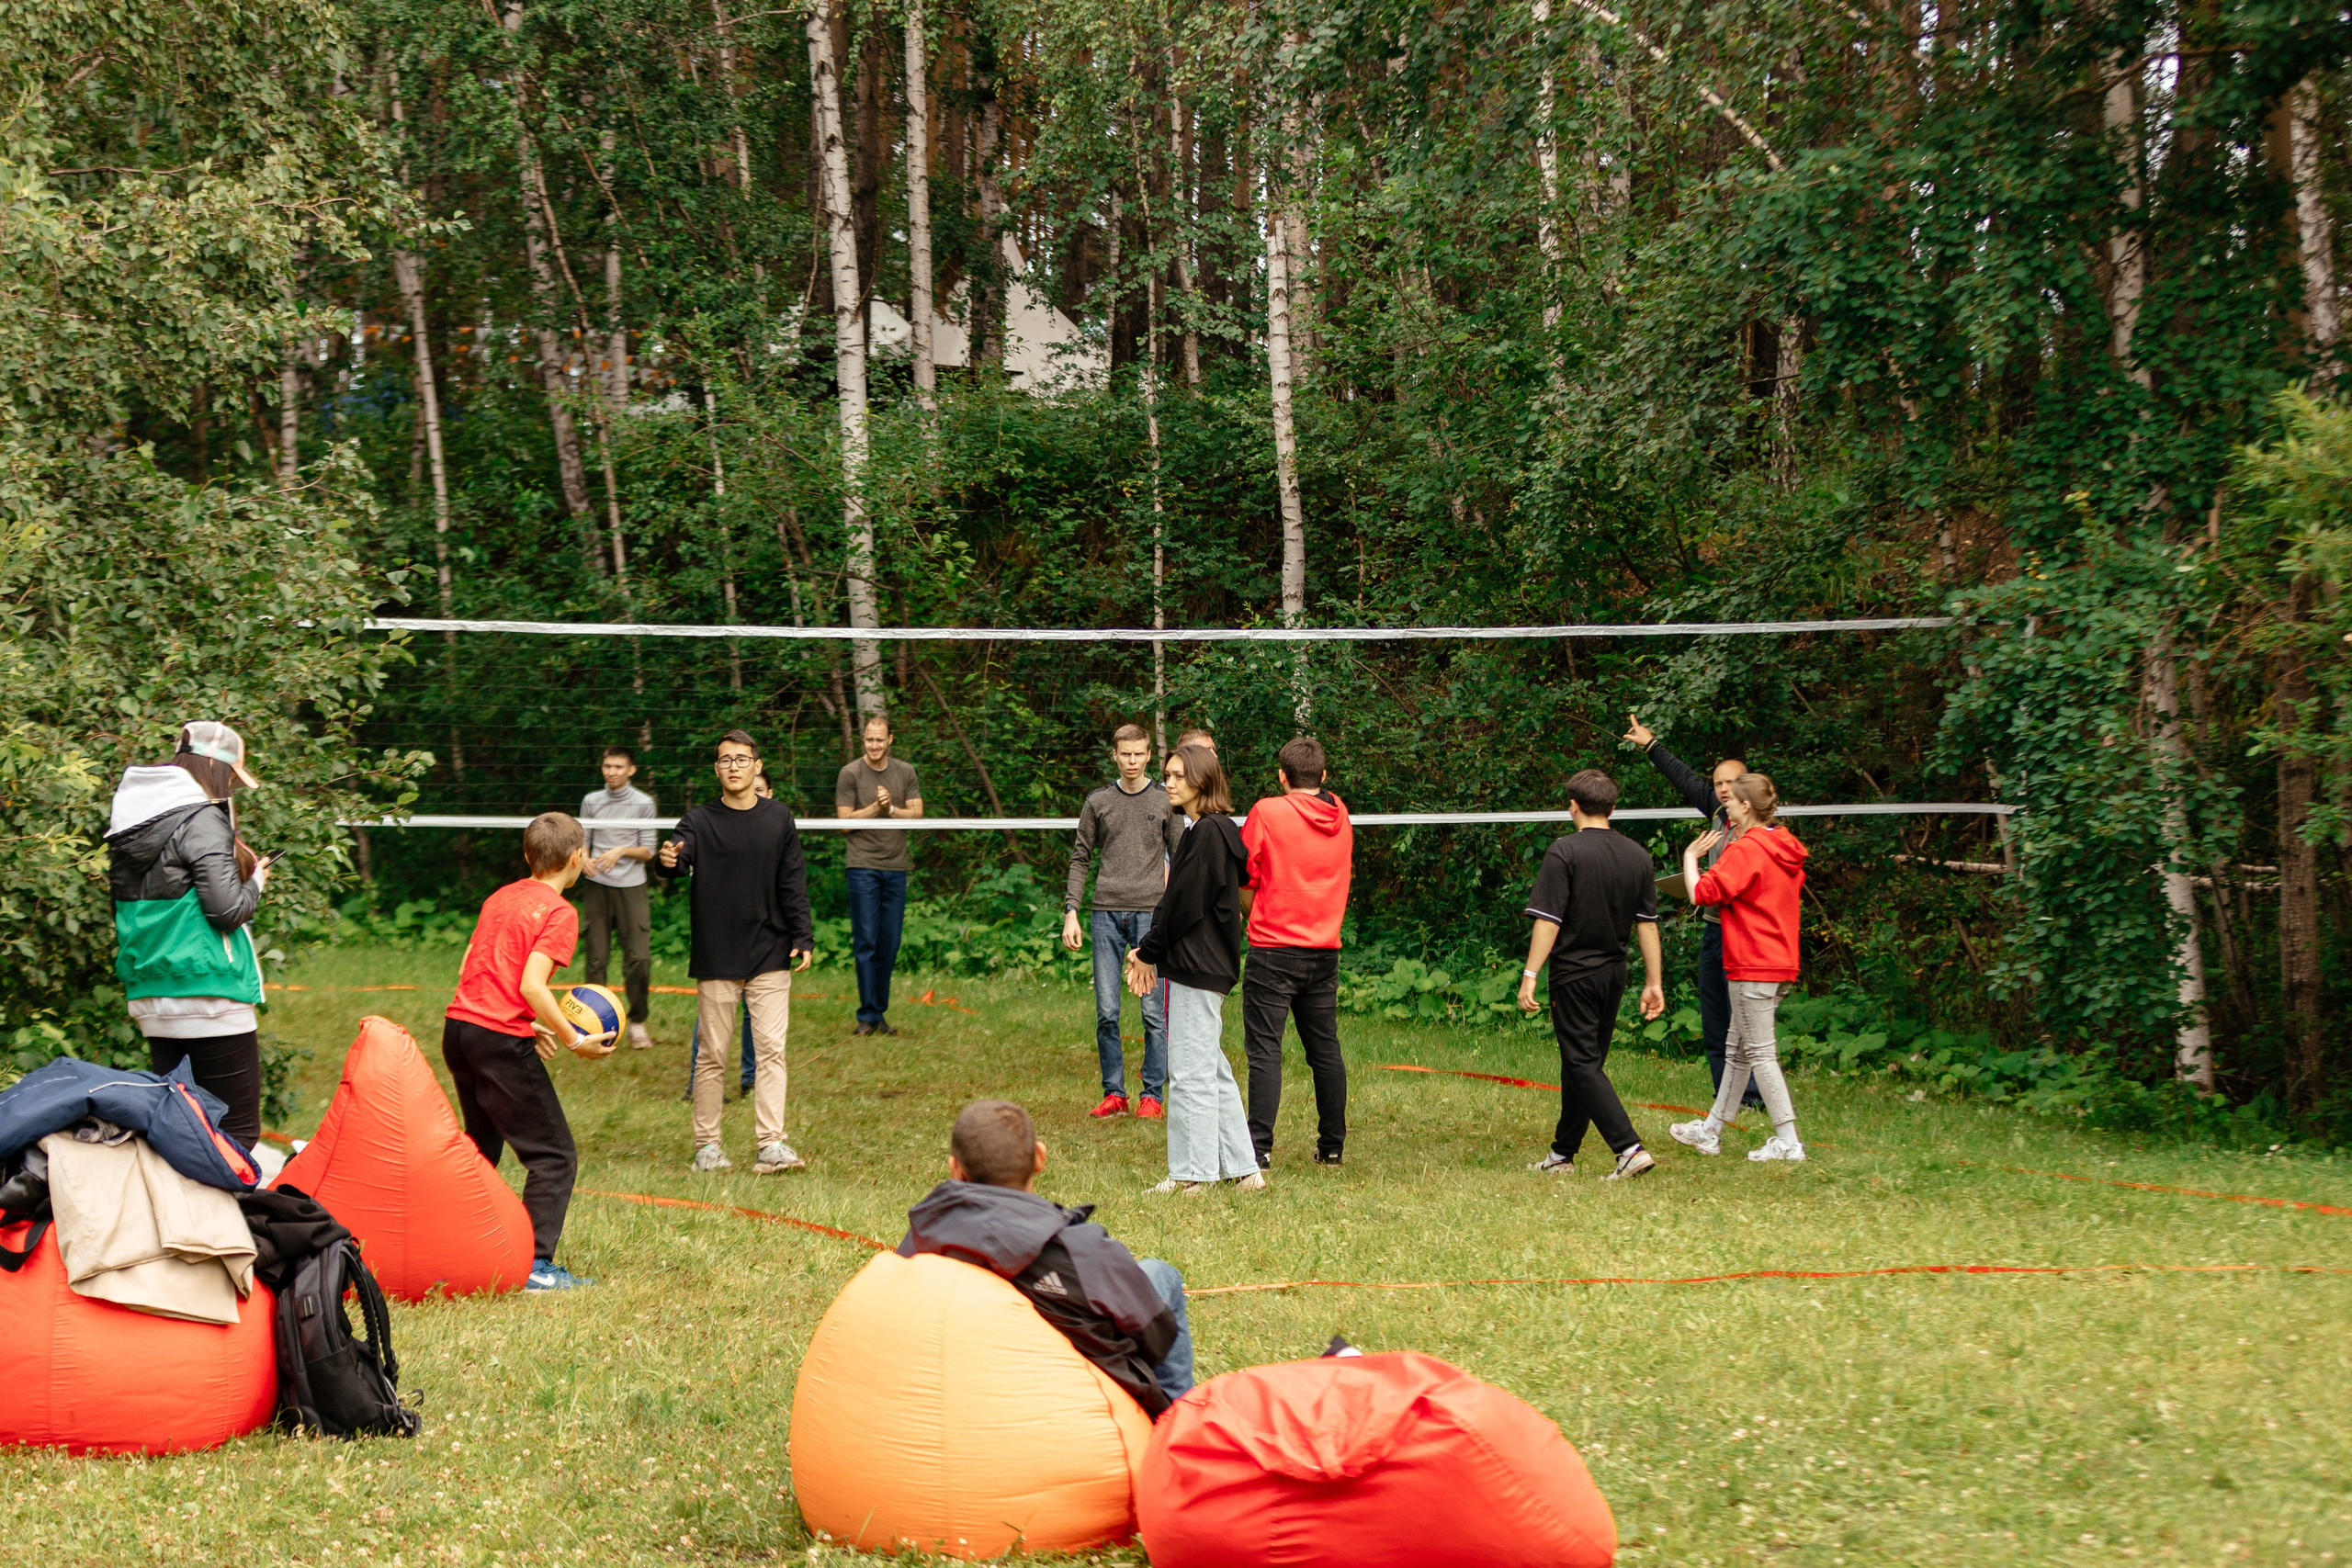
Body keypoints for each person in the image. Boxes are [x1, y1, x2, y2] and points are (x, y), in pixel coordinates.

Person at [898, 1100, 1192, 1416]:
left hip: (963, 1392)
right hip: (1079, 1401)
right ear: (1039, 1157)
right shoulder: (1081, 1250)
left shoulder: (922, 1237)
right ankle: (1176, 1425)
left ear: (954, 1168)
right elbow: (1154, 1333)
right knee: (1161, 1274)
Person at [442, 811, 616, 1292]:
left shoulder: (502, 896)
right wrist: (573, 1038)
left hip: (459, 1030)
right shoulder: (560, 912)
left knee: (481, 1148)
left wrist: (522, 1019)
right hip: (494, 1039)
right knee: (554, 1157)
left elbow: (471, 967)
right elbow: (532, 983)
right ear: (577, 858)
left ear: (528, 856)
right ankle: (535, 1266)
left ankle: (452, 1244)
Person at [105, 721, 271, 1147]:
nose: (231, 787)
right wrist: (257, 883)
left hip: (151, 993)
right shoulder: (202, 818)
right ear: (218, 769)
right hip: (209, 991)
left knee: (180, 1132)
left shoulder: (132, 821)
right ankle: (227, 1216)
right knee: (236, 1137)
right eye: (232, 776)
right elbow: (227, 910)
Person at [659, 731, 816, 1174]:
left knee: (771, 1051)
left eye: (741, 759)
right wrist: (667, 861)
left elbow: (793, 881)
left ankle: (771, 1146)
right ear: (716, 770)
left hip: (770, 951)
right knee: (713, 1055)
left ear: (756, 766)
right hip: (717, 955)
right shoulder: (698, 821)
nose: (733, 766)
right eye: (725, 760)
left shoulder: (779, 818)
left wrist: (802, 936)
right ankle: (707, 1148)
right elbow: (675, 858)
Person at [1516, 768, 1665, 1181]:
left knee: (1582, 1063)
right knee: (1582, 1063)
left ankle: (1628, 1148)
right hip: (1614, 975)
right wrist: (1654, 982)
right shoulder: (1638, 855)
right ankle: (1562, 1154)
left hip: (1575, 976)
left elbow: (1548, 921)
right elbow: (1648, 925)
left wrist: (1531, 973)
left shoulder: (1564, 851)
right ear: (1613, 808)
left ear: (1573, 806)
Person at [1127, 743, 1262, 1195]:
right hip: (1204, 965)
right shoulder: (1210, 830)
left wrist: (1148, 951)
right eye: (1166, 775)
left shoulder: (1207, 833)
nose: (1169, 782)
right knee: (1211, 1068)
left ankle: (1194, 1174)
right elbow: (1179, 902)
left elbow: (1182, 905)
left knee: (1187, 1072)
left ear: (1202, 781)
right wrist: (1149, 949)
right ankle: (1246, 1171)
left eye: (1178, 776)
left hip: (1197, 966)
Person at [1623, 713, 1760, 1111]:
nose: (1721, 790)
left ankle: (1753, 1095)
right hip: (1715, 930)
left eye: (1730, 783)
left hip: (1746, 936)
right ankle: (1726, 1096)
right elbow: (1682, 777)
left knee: (1745, 1019)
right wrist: (1650, 744)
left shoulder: (1758, 829)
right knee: (1715, 1016)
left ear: (1747, 787)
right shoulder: (1717, 814)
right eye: (1717, 783)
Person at [1672, 774, 1810, 1162]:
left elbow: (1702, 893)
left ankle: (1787, 1140)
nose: (1725, 805)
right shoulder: (1783, 845)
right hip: (1779, 959)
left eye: (1730, 799)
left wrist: (1689, 859)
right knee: (1738, 1051)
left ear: (1746, 806)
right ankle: (1711, 1130)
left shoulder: (1746, 848)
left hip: (1753, 963)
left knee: (1761, 1053)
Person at [1238, 737, 1352, 1168]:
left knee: (1265, 1051)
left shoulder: (1267, 811)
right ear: (1323, 776)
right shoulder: (1340, 814)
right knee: (1325, 1049)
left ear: (1281, 776)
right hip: (1324, 950)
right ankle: (1332, 1147)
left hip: (1273, 949)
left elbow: (1244, 878)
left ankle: (1259, 1150)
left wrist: (1256, 917)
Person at [1062, 724, 1183, 1120]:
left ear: (1149, 755)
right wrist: (1071, 911)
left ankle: (1153, 1095)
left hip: (1151, 916)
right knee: (1107, 1011)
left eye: (1138, 754)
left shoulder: (1166, 801)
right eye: (1124, 754)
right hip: (1104, 915)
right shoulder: (1098, 801)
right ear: (1113, 755)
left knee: (1153, 1012)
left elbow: (1182, 860)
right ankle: (1114, 1092)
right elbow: (1080, 857)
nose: (1131, 761)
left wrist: (1177, 917)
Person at [683, 770, 775, 1102]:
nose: (757, 797)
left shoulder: (775, 826)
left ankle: (751, 1079)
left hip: (764, 946)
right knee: (712, 1025)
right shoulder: (711, 823)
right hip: (721, 944)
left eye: (763, 791)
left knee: (760, 1022)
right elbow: (679, 858)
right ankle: (699, 1083)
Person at [835, 715, 923, 1036]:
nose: (874, 745)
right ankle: (866, 1015)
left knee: (889, 943)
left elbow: (916, 814)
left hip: (896, 868)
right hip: (862, 867)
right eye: (869, 739)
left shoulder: (905, 772)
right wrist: (875, 807)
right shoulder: (850, 774)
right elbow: (844, 822)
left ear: (890, 740)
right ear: (864, 740)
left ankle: (879, 1013)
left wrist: (891, 810)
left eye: (879, 739)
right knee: (866, 942)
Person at [579, 745, 658, 1050]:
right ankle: (593, 1025)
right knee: (596, 959)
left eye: (618, 767)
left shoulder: (643, 803)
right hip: (597, 885)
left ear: (631, 771)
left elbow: (648, 850)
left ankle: (637, 1022)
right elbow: (583, 840)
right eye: (607, 766)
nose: (611, 772)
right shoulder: (591, 801)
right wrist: (584, 858)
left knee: (638, 958)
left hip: (631, 886)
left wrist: (620, 851)